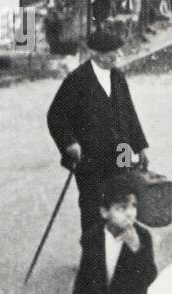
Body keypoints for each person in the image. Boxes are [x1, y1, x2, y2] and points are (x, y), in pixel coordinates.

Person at [47, 29, 150, 236]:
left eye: (117, 51)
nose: (117, 56)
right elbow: (56, 116)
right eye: (111, 52)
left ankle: (119, 253)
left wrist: (141, 147)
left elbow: (129, 112)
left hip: (122, 151)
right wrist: (69, 143)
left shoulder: (118, 77)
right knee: (93, 205)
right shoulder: (77, 80)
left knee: (122, 199)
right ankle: (92, 256)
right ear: (96, 54)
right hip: (90, 155)